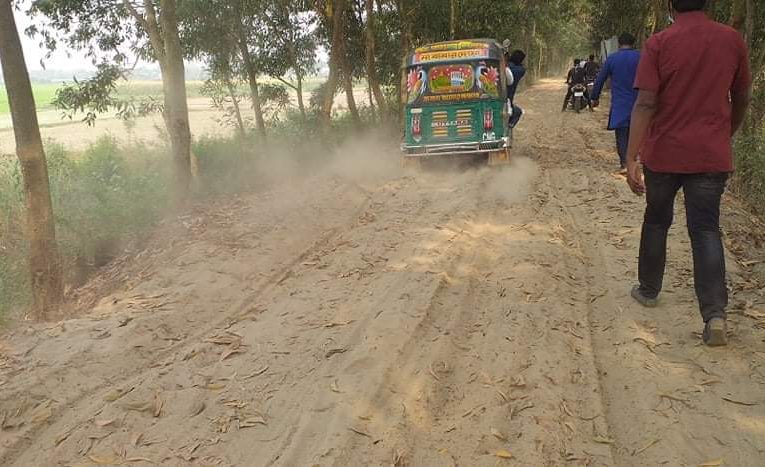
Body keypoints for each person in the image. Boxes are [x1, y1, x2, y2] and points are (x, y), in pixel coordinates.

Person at [626, 0, 751, 347]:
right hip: (710, 154)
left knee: (656, 220)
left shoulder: (659, 43)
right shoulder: (732, 40)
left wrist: (631, 156)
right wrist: (724, 134)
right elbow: (742, 96)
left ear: (670, 5)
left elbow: (647, 102)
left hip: (664, 154)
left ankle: (649, 290)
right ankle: (714, 315)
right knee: (706, 230)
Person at [590, 33, 641, 171]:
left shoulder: (612, 59)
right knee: (638, 132)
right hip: (640, 103)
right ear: (633, 43)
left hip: (620, 104)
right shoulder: (641, 57)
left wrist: (594, 97)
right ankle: (636, 161)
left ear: (619, 43)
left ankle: (624, 163)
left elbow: (600, 79)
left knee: (622, 134)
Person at [505, 49, 527, 133]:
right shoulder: (520, 70)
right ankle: (509, 128)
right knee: (517, 112)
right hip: (507, 99)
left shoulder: (503, 66)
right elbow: (522, 68)